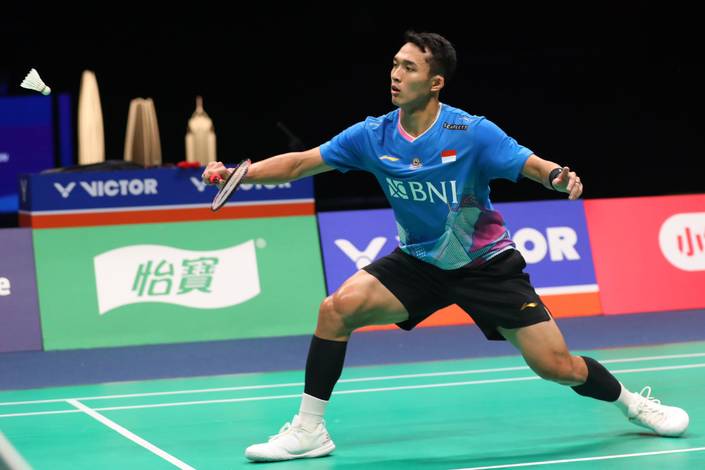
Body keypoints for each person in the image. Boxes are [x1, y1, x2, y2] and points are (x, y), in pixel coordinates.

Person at [202, 31, 689, 462]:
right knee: (335, 310)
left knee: (556, 366)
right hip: (419, 262)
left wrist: (556, 176)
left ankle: (634, 404)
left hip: (486, 264)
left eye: (409, 68)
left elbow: (527, 162)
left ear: (435, 82)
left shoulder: (470, 131)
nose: (396, 75)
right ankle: (309, 431)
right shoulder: (374, 135)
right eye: (394, 65)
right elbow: (299, 163)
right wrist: (240, 173)